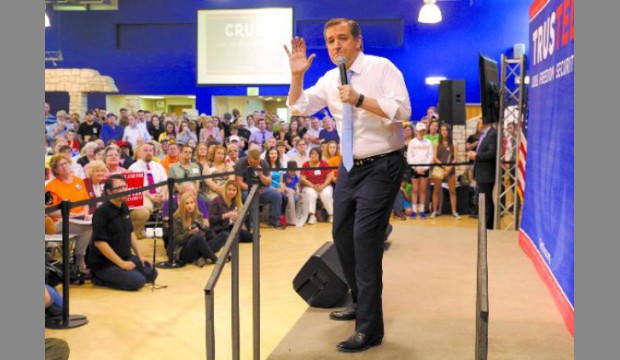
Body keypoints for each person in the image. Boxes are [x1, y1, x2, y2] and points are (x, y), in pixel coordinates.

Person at [285, 18, 410, 352]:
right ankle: (359, 300)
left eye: (342, 39)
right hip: (350, 168)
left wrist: (359, 99)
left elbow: (403, 110)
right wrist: (297, 75)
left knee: (364, 240)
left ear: (358, 41)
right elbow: (296, 108)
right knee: (341, 235)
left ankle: (370, 329)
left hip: (383, 164)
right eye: (329, 41)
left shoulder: (382, 68)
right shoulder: (328, 79)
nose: (335, 45)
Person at [87, 174, 158, 290]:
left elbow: (130, 233)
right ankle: (99, 278)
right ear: (109, 191)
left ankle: (124, 272)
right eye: (119, 188)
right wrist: (121, 264)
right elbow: (100, 243)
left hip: (125, 256)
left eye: (125, 187)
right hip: (105, 264)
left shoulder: (124, 206)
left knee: (151, 273)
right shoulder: (102, 212)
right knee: (138, 282)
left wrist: (140, 256)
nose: (124, 190)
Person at [172, 191, 228, 267]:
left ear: (195, 204)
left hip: (199, 247)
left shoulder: (198, 215)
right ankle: (215, 259)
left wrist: (203, 230)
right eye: (187, 203)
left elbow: (204, 236)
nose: (190, 206)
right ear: (182, 205)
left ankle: (203, 257)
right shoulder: (176, 217)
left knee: (224, 235)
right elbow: (177, 240)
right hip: (184, 250)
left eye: (192, 203)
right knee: (197, 237)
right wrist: (189, 233)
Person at [467, 118, 497, 229]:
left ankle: (488, 227)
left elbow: (491, 153)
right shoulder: (484, 135)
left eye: (480, 122)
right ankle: (484, 224)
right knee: (483, 200)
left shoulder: (492, 134)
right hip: (480, 172)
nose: (479, 124)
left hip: (486, 173)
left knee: (487, 201)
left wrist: (476, 156)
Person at [430, 123, 460, 219]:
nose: (444, 131)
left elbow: (455, 158)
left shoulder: (453, 143)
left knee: (452, 191)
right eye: (442, 130)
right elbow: (434, 158)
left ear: (449, 131)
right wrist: (443, 167)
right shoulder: (436, 143)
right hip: (439, 169)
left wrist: (450, 167)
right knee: (436, 190)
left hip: (450, 169)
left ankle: (454, 211)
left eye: (446, 130)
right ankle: (435, 211)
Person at [300, 148, 334, 224]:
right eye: (312, 154)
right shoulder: (305, 164)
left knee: (326, 194)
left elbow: (329, 176)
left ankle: (331, 214)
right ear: (309, 155)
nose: (313, 155)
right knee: (311, 194)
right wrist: (313, 186)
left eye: (316, 154)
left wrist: (323, 185)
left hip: (324, 185)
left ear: (319, 155)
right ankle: (312, 215)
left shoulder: (324, 163)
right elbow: (303, 179)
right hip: (310, 186)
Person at [407, 122, 433, 219]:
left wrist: (424, 168)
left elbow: (430, 156)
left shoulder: (428, 142)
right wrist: (415, 168)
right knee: (415, 190)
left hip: (424, 169)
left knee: (422, 190)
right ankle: (414, 210)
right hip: (414, 169)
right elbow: (409, 157)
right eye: (420, 130)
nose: (422, 132)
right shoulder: (412, 142)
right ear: (416, 131)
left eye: (423, 130)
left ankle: (421, 210)